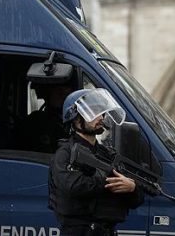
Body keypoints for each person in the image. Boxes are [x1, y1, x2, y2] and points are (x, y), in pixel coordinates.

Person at [49, 88, 144, 236]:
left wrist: (132, 188)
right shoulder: (65, 153)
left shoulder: (106, 154)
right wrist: (107, 182)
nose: (101, 117)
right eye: (93, 113)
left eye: (102, 112)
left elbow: (134, 198)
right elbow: (72, 186)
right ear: (76, 119)